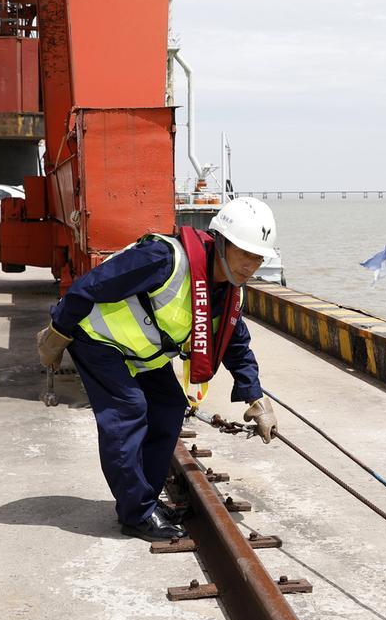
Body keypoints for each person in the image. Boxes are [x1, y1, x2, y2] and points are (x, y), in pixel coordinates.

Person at [37, 197, 279, 542]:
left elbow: (235, 344)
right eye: (245, 253)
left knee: (168, 406)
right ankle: (135, 513)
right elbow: (90, 285)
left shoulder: (226, 292)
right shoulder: (164, 259)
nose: (251, 265)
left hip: (141, 353)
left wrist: (255, 398)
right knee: (128, 411)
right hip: (97, 339)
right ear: (222, 242)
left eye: (259, 257)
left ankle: (145, 501)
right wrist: (57, 332)